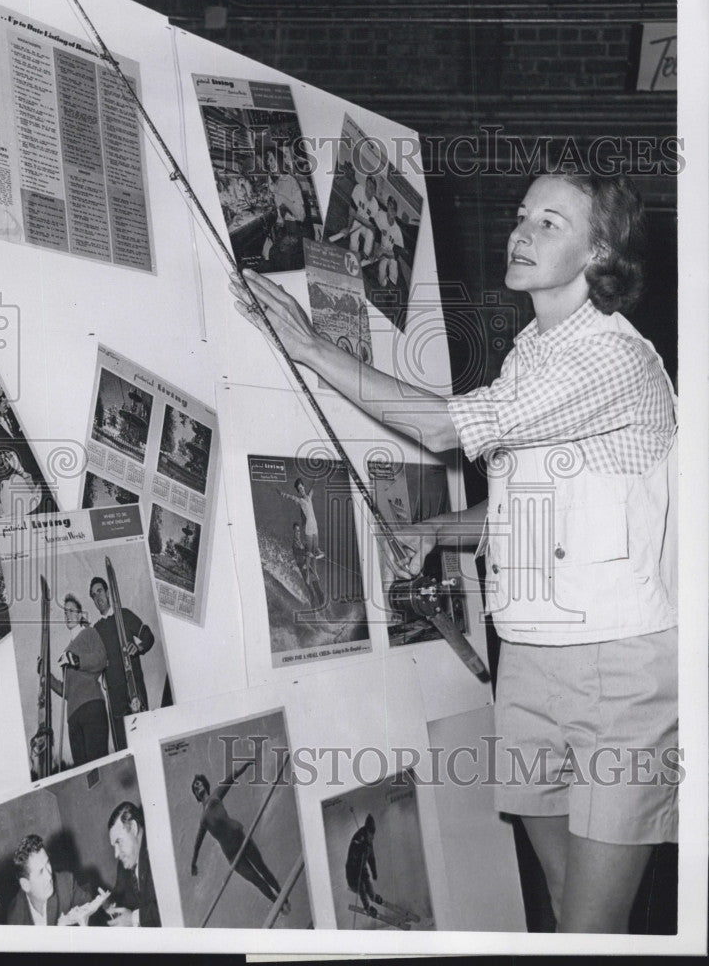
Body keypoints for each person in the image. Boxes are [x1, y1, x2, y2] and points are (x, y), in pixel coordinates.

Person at [232, 172, 677, 934]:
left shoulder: (611, 359)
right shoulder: (532, 351)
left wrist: (309, 346)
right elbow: (531, 509)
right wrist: (439, 531)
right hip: (529, 659)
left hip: (619, 668)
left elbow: (441, 429)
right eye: (520, 214)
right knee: (568, 907)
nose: (522, 232)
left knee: (588, 932)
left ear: (598, 252)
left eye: (549, 221)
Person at [190, 761, 291, 914]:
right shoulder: (203, 819)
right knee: (256, 880)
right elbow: (197, 843)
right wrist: (193, 863)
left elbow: (230, 778)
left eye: (198, 784)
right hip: (232, 855)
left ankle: (283, 896)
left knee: (262, 868)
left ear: (204, 784)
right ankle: (277, 902)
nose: (197, 787)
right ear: (196, 796)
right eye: (195, 788)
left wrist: (246, 765)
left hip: (241, 839)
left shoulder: (216, 796)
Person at [89, 576, 154, 750]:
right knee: (124, 746)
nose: (98, 597)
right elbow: (94, 662)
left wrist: (139, 647)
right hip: (115, 695)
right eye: (94, 595)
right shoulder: (95, 630)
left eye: (100, 591)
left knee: (145, 738)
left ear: (108, 592)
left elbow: (148, 635)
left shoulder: (124, 615)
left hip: (133, 687)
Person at [47, 594, 110, 767]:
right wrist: (47, 676)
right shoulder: (66, 650)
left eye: (72, 611)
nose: (67, 615)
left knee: (98, 766)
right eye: (65, 612)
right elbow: (66, 691)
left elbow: (101, 659)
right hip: (73, 716)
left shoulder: (89, 633)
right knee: (83, 771)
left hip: (92, 706)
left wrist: (76, 660)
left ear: (80, 614)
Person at [6, 835, 92, 925]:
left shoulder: (65, 884)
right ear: (25, 885)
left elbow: (91, 909)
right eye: (40, 872)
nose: (49, 876)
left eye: (47, 864)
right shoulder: (16, 918)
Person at [106, 801, 160, 927]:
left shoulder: (157, 852)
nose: (116, 854)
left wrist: (133, 918)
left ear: (134, 828)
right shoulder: (125, 863)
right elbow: (119, 892)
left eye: (119, 842)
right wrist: (107, 902)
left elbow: (169, 907)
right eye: (114, 846)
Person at [263, 147, 307, 271]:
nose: (269, 164)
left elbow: (301, 216)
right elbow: (279, 211)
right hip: (285, 231)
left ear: (280, 160)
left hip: (295, 232)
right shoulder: (277, 183)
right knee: (267, 253)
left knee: (273, 257)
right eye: (268, 162)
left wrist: (282, 199)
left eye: (272, 160)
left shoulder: (290, 180)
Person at [278, 478, 325, 563]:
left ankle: (309, 559)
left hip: (315, 524)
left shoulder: (309, 496)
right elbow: (291, 497)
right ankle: (294, 559)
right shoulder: (300, 500)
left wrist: (315, 480)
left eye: (301, 487)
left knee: (316, 548)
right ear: (298, 491)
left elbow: (312, 488)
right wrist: (283, 494)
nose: (301, 490)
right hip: (309, 526)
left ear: (304, 486)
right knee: (309, 551)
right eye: (299, 489)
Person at [345, 814, 382, 917]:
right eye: (371, 833)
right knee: (361, 885)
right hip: (352, 871)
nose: (372, 836)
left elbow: (371, 858)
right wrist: (360, 849)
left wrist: (374, 872)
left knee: (367, 882)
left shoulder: (369, 843)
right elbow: (353, 853)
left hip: (362, 868)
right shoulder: (359, 837)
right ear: (367, 831)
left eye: (373, 833)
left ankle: (373, 896)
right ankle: (367, 908)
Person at [373, 195, 404, 287]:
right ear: (387, 205)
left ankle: (391, 287)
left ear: (396, 212)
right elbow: (376, 234)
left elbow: (396, 254)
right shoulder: (380, 215)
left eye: (394, 209)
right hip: (377, 247)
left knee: (394, 263)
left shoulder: (397, 230)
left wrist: (384, 252)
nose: (392, 210)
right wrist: (376, 250)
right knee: (380, 279)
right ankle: (381, 277)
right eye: (390, 205)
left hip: (387, 254)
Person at [292, 521, 325, 607]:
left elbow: (311, 547)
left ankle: (322, 608)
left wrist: (319, 552)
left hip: (308, 567)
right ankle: (314, 610)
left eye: (299, 531)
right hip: (303, 570)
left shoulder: (302, 542)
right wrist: (306, 552)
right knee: (311, 592)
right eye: (296, 531)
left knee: (318, 589)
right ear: (293, 532)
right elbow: (298, 551)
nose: (298, 533)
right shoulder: (294, 544)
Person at [348, 175, 380, 258]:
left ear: (374, 192)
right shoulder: (359, 189)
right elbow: (352, 211)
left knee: (370, 234)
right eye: (368, 185)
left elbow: (373, 228)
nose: (369, 188)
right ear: (365, 184)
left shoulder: (375, 205)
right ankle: (353, 254)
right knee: (353, 241)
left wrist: (374, 250)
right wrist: (348, 228)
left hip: (366, 226)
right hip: (357, 222)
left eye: (372, 187)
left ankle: (366, 254)